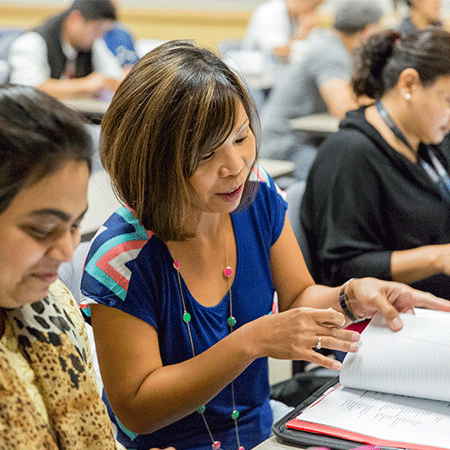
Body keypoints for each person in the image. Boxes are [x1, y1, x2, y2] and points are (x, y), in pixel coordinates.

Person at [79, 39, 450, 450]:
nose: (235, 166)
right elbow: (136, 409)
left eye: (241, 138)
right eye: (206, 154)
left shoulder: (256, 195)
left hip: (264, 435)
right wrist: (249, 342)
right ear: (155, 159)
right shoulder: (121, 258)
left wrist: (349, 297)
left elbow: (299, 296)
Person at [300, 28, 450, 301]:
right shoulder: (350, 154)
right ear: (408, 85)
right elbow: (342, 270)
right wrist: (437, 257)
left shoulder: (429, 140)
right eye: (448, 99)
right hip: (387, 321)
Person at [259, 0, 383, 180]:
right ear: (368, 31)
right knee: (344, 175)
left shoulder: (336, 47)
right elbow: (343, 109)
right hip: (284, 145)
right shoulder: (330, 53)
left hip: (304, 140)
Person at [7, 0, 125, 99]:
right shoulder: (33, 41)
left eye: (103, 32)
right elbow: (27, 89)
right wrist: (85, 85)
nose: (99, 36)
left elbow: (114, 77)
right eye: (96, 29)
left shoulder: (94, 44)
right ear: (75, 18)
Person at [242, 0, 324, 61]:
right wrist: (302, 32)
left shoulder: (295, 17)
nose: (313, 12)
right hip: (258, 75)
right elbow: (279, 51)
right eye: (313, 7)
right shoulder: (269, 12)